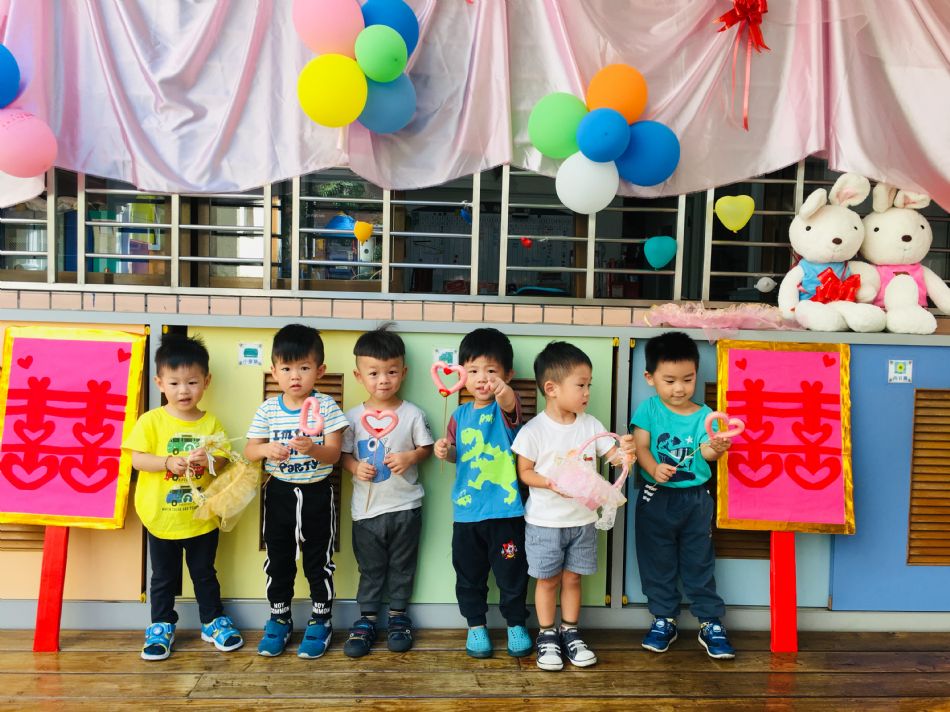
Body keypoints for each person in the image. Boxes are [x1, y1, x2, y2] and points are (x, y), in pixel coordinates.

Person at [123, 333, 243, 661]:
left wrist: (210, 459)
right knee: (163, 577)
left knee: (205, 573)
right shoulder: (151, 421)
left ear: (206, 382)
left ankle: (212, 621)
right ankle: (161, 625)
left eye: (192, 382)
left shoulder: (210, 422)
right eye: (174, 383)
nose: (183, 391)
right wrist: (166, 462)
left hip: (201, 517)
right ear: (160, 383)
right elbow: (137, 459)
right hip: (161, 517)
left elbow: (224, 460)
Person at [512, 341, 629, 671]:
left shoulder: (590, 425)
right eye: (581, 385)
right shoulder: (534, 431)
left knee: (573, 579)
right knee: (547, 580)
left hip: (582, 521)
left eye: (589, 385)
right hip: (545, 523)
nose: (587, 392)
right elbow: (524, 473)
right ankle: (547, 634)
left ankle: (571, 632)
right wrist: (550, 483)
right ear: (551, 388)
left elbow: (614, 457)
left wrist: (626, 453)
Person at [630, 331, 736, 659]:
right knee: (657, 562)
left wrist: (717, 448)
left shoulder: (706, 415)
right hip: (656, 496)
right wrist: (653, 468)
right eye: (670, 380)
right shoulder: (648, 409)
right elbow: (641, 446)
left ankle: (710, 621)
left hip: (696, 499)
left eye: (688, 380)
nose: (679, 388)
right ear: (650, 378)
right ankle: (664, 618)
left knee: (699, 560)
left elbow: (707, 454)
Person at [244, 324, 348, 659]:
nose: (295, 376)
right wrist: (266, 450)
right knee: (279, 558)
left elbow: (334, 454)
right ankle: (279, 618)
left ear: (320, 370)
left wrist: (312, 449)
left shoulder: (326, 406)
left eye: (304, 368)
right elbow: (250, 450)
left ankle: (321, 619)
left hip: (317, 493)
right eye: (286, 368)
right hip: (279, 493)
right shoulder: (268, 409)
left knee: (319, 560)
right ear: (274, 371)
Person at [433, 328, 532, 660]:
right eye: (473, 371)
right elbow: (456, 455)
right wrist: (445, 450)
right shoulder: (458, 415)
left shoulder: (506, 409)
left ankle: (516, 624)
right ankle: (475, 625)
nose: (482, 379)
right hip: (467, 513)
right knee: (468, 574)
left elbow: (510, 404)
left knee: (512, 574)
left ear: (507, 375)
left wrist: (503, 391)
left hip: (506, 512)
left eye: (491, 371)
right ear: (462, 374)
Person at [340, 325, 433, 657]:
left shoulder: (413, 414)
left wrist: (410, 457)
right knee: (370, 567)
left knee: (403, 565)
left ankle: (398, 616)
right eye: (374, 373)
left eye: (391, 372)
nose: (383, 380)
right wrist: (355, 467)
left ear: (403, 372)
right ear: (359, 376)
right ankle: (366, 619)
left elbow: (426, 448)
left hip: (405, 506)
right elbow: (343, 455)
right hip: (366, 512)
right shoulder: (351, 417)